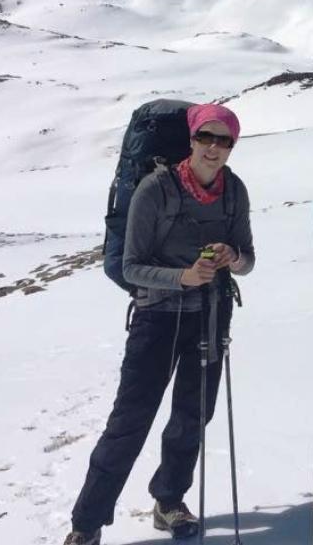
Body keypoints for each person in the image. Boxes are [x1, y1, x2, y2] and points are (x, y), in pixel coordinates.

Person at [65, 104, 255, 545]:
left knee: (192, 416)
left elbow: (248, 260)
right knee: (130, 421)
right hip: (158, 318)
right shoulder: (155, 188)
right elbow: (130, 267)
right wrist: (182, 278)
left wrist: (233, 258)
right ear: (191, 140)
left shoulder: (235, 190)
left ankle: (169, 501)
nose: (213, 147)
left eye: (223, 140)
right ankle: (86, 524)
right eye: (205, 138)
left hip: (210, 314)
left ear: (232, 145)